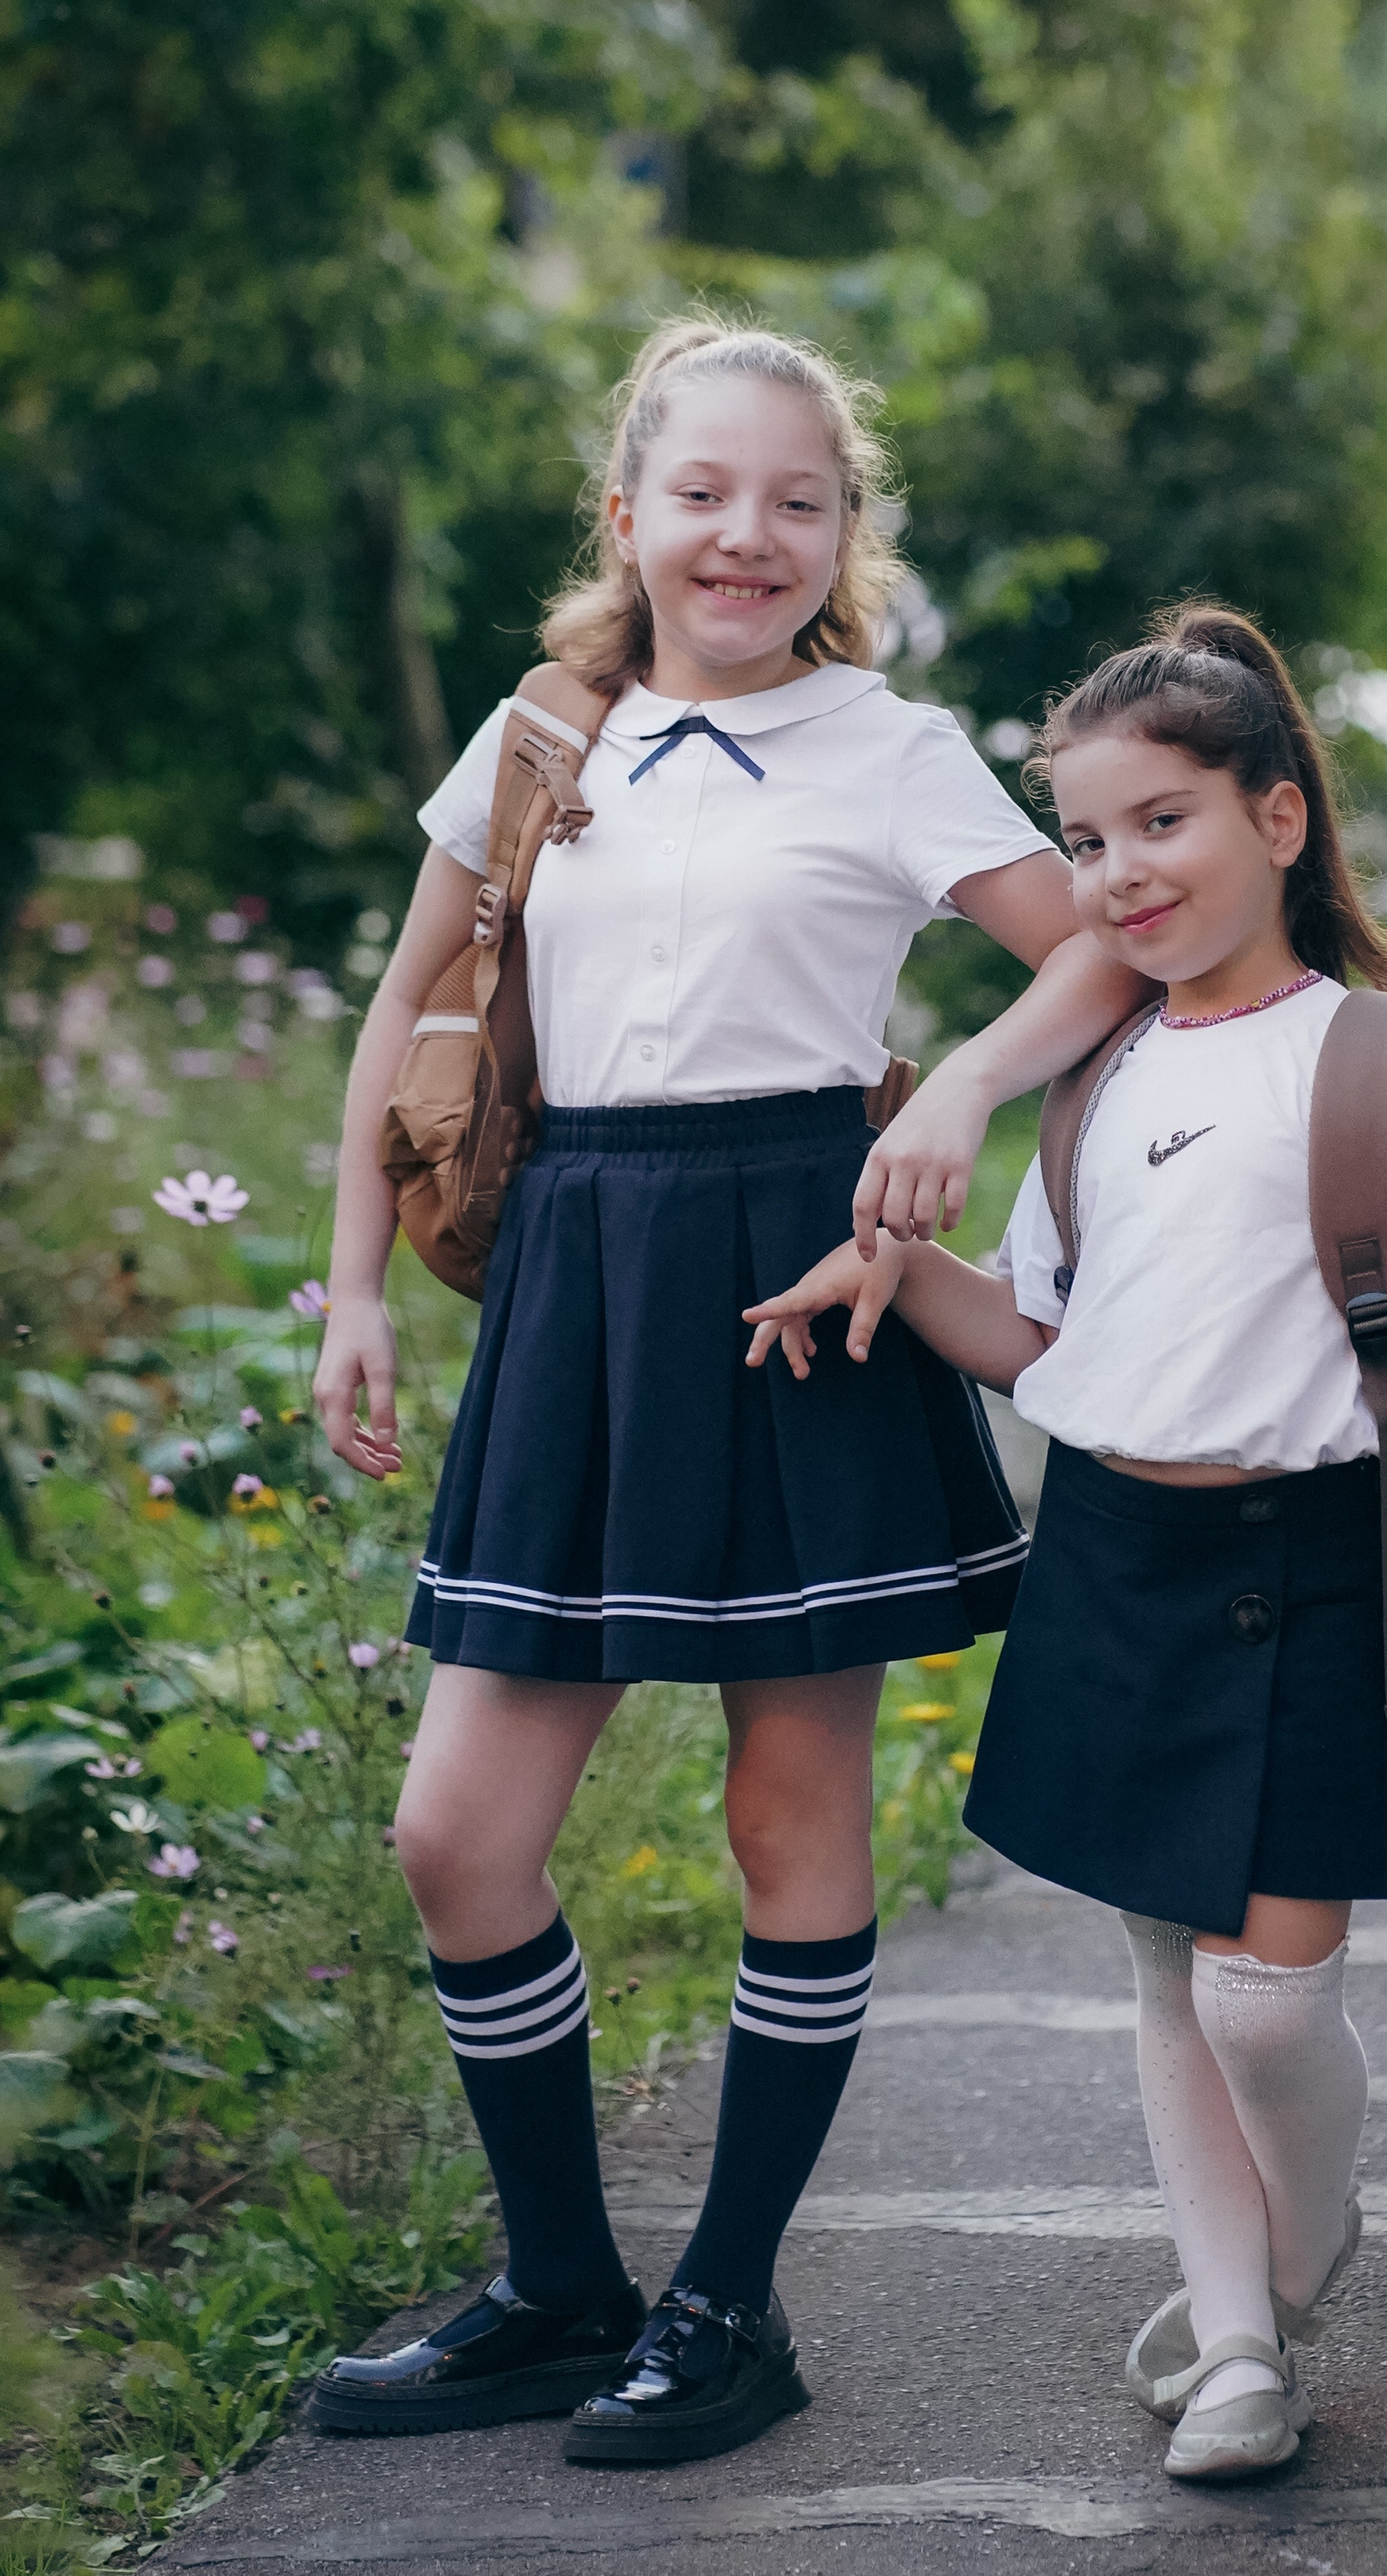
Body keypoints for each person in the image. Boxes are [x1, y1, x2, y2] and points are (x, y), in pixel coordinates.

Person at [305, 315, 1144, 2462]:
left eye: (797, 500)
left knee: (791, 1816)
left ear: (843, 531)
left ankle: (730, 2307)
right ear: (628, 517)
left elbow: (1098, 945)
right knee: (456, 1833)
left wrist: (954, 1080)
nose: (746, 534)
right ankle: (563, 2288)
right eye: (703, 493)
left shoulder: (893, 745)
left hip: (804, 1273)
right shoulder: (531, 742)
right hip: (577, 1273)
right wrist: (357, 1301)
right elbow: (407, 1016)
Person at [743, 605, 1387, 2482]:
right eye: (1086, 840)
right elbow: (1054, 1349)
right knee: (1161, 1976)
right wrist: (892, 1272)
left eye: (1163, 824)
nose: (1118, 875)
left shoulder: (1386, 1052)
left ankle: (1304, 2238)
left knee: (1267, 1996)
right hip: (1114, 1556)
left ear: (1280, 821)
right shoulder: (1094, 1077)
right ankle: (1235, 2350)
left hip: (1310, 1562)